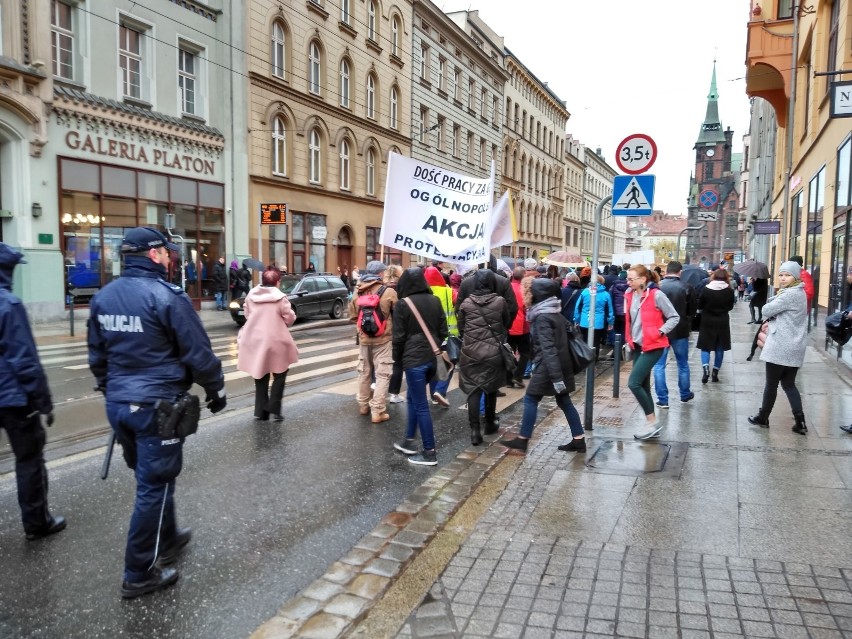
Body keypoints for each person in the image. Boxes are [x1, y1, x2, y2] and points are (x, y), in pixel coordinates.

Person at [88, 227, 226, 599]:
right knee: (153, 485)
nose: (170, 258)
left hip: (120, 405)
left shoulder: (103, 297)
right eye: (166, 253)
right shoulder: (166, 297)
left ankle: (169, 537)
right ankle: (138, 572)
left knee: (153, 478)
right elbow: (198, 353)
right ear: (153, 255)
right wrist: (216, 388)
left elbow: (97, 357)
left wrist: (111, 391)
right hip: (157, 406)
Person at [0, 243, 66, 542]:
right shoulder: (9, 305)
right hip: (12, 399)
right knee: (29, 459)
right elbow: (24, 361)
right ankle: (37, 522)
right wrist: (43, 402)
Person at [499, 278, 585, 453]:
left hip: (549, 367)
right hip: (560, 364)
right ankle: (579, 439)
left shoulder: (542, 317)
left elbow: (548, 349)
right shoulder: (554, 311)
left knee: (531, 399)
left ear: (536, 295)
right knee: (564, 401)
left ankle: (522, 440)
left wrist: (556, 378)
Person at [392, 268, 448, 465]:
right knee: (413, 398)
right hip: (432, 358)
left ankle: (429, 452)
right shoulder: (435, 300)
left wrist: (397, 360)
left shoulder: (402, 304)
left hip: (414, 360)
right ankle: (408, 440)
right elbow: (444, 330)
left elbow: (398, 338)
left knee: (421, 405)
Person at [748, 261, 809, 435]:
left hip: (780, 346)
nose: (783, 278)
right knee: (789, 385)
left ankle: (763, 417)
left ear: (795, 277)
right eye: (781, 274)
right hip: (795, 346)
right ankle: (800, 422)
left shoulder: (789, 294)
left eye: (787, 275)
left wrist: (775, 298)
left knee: (771, 384)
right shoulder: (800, 292)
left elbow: (767, 310)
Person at [623, 265, 680, 440]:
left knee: (633, 383)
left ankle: (652, 422)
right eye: (628, 278)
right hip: (638, 345)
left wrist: (661, 331)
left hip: (654, 345)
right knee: (643, 385)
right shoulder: (629, 295)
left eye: (631, 279)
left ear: (642, 279)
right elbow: (630, 320)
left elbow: (674, 317)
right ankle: (651, 424)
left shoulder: (657, 295)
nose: (628, 281)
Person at [457, 270, 511, 445]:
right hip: (493, 351)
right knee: (491, 387)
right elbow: (506, 323)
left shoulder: (466, 303)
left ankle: (474, 430)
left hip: (470, 352)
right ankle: (489, 422)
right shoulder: (500, 302)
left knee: (474, 389)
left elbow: (461, 327)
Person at [237, 267, 298, 422]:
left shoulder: (251, 296)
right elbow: (289, 318)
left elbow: (247, 314)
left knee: (260, 373)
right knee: (280, 372)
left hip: (255, 339)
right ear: (277, 282)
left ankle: (261, 412)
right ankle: (274, 408)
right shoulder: (281, 298)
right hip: (276, 339)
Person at [349, 261, 398, 423]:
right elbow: (398, 313)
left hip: (364, 339)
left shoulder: (358, 292)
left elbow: (353, 316)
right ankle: (378, 411)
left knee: (364, 371)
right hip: (383, 339)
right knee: (383, 373)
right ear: (380, 274)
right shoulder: (389, 291)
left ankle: (363, 405)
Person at [653, 261, 696, 407]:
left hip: (661, 331)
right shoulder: (687, 287)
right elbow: (692, 311)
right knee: (683, 364)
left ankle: (663, 399)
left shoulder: (658, 287)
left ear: (667, 271)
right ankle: (684, 395)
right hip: (680, 330)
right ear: (680, 272)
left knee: (659, 366)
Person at [424, 265, 457, 407]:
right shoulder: (450, 292)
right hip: (448, 335)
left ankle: (433, 395)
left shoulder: (424, 293)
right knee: (449, 364)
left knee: (433, 364)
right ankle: (440, 390)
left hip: (428, 336)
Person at [696, 268, 736, 384]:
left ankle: (706, 369)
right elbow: (730, 307)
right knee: (720, 347)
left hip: (707, 320)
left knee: (705, 346)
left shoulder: (706, 289)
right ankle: (715, 373)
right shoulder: (729, 291)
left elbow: (700, 304)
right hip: (722, 321)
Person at [573, 274, 614, 360]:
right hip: (599, 322)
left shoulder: (585, 292)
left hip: (584, 321)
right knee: (596, 342)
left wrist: (576, 320)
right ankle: (594, 361)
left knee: (584, 341)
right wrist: (610, 322)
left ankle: (584, 360)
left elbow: (577, 307)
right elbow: (610, 310)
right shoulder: (606, 294)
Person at [383, 265, 406, 404]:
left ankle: (378, 386)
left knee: (382, 362)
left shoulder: (382, 288)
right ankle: (394, 394)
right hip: (397, 330)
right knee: (398, 363)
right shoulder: (401, 289)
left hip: (382, 330)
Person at [507, 267, 531, 390]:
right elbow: (527, 307)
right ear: (523, 276)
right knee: (525, 353)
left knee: (509, 352)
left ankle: (509, 378)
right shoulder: (524, 289)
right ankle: (518, 375)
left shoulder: (507, 287)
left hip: (508, 324)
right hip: (521, 325)